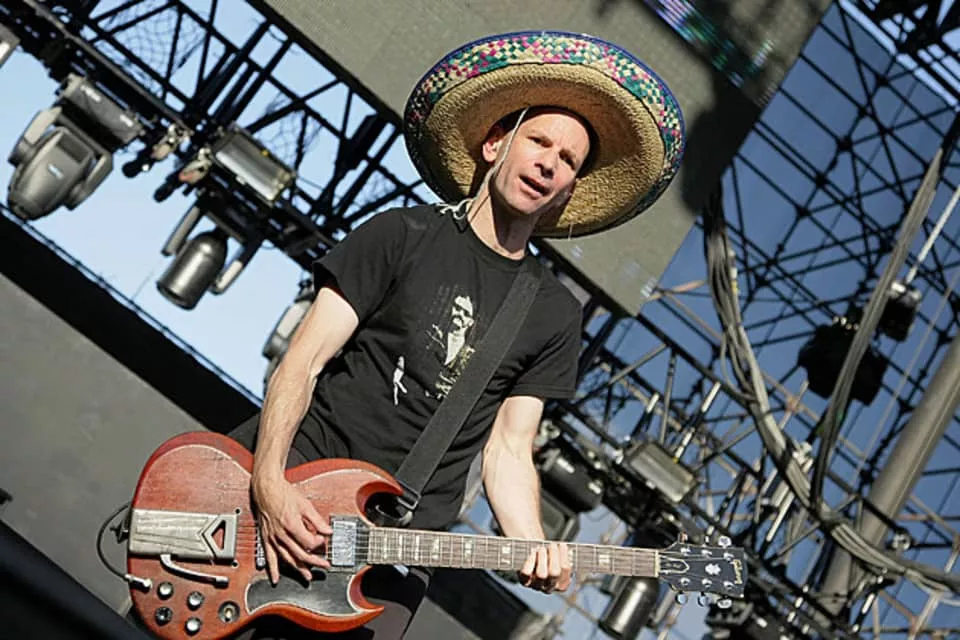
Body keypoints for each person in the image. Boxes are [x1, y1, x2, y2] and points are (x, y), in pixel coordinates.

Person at [225, 30, 685, 640]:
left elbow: (509, 448)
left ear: (568, 189)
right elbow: (302, 362)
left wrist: (532, 542)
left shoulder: (552, 313)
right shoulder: (401, 234)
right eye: (539, 141)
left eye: (568, 161)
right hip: (295, 484)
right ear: (496, 144)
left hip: (393, 548)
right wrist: (269, 483)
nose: (549, 163)